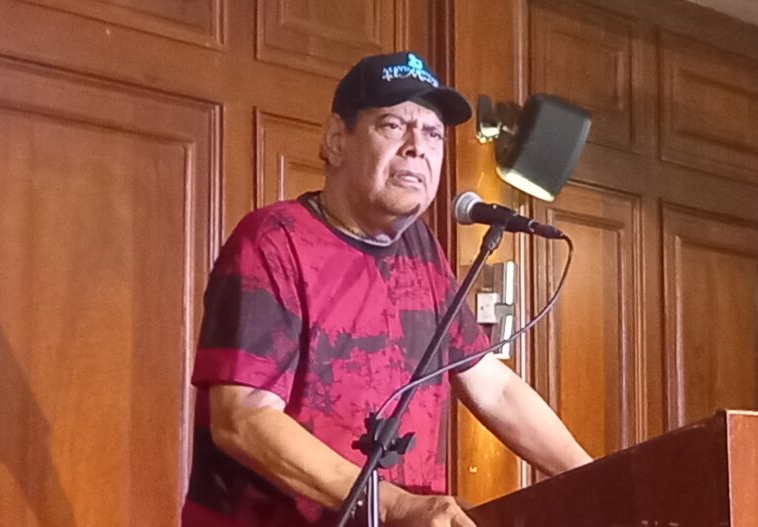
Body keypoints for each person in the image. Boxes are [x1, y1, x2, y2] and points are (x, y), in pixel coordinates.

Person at [181, 51, 592, 527]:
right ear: (336, 140)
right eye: (393, 125)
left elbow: (493, 387)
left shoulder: (421, 250)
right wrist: (393, 504)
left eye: (433, 133)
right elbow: (243, 419)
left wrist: (600, 480)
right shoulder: (274, 241)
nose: (418, 147)